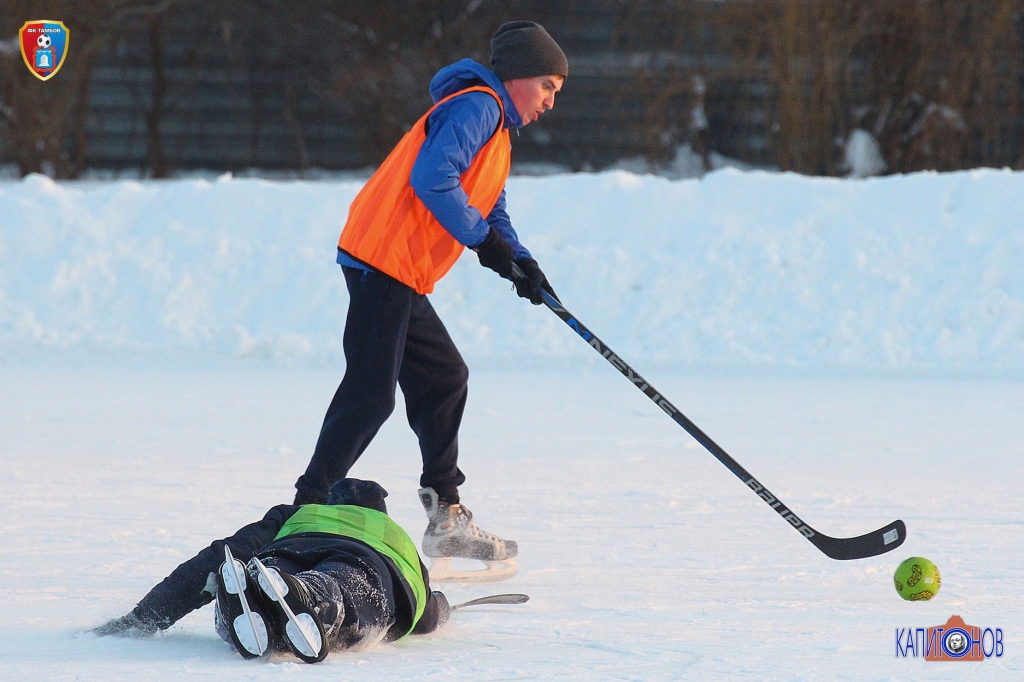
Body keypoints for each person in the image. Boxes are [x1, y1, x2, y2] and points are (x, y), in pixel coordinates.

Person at [291, 21, 568, 582]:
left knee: (443, 377)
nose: (549, 102)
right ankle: (303, 508)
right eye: (546, 86)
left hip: (400, 269)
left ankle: (447, 517)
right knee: (371, 395)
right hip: (383, 260)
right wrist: (485, 245)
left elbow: (489, 208)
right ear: (517, 76)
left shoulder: (495, 129)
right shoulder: (479, 108)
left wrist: (520, 262)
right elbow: (433, 178)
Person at [93, 479, 449, 663]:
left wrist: (144, 618)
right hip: (367, 560)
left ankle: (257, 593)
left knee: (265, 572)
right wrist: (442, 607)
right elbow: (424, 615)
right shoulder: (395, 534)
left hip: (290, 547)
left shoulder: (299, 513)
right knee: (340, 588)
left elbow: (220, 554)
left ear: (329, 503)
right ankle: (309, 596)